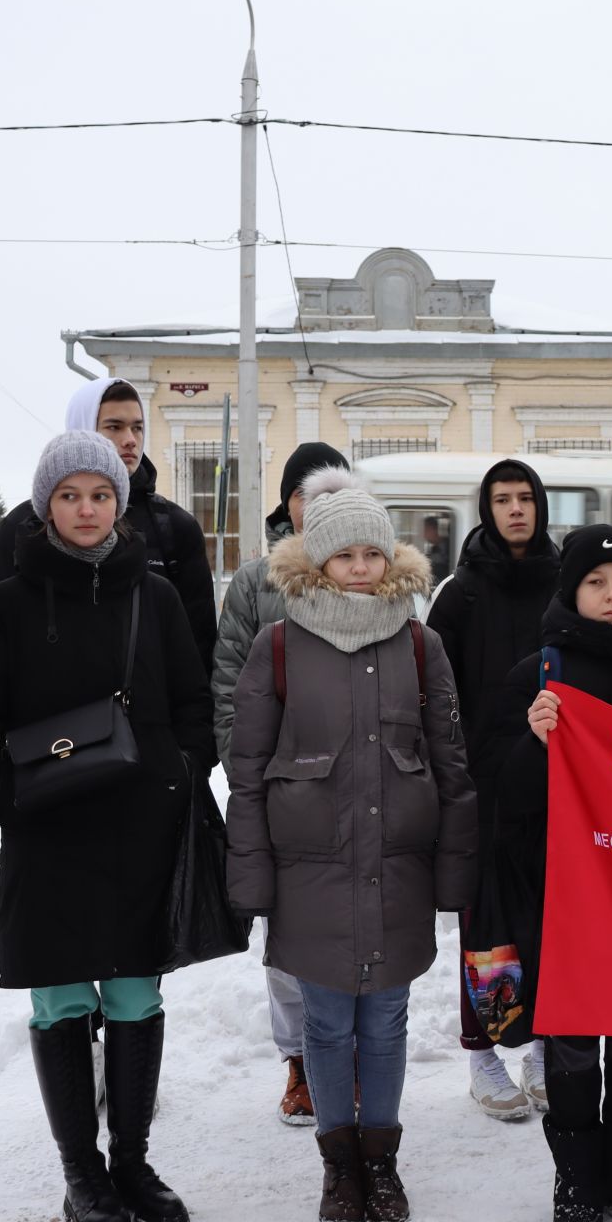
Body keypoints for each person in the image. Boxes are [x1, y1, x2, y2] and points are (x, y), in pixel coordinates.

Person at [0, 431, 213, 1222]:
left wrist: (180, 772)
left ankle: (131, 1166)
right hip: (49, 832)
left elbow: (194, 702)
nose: (87, 508)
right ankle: (82, 1178)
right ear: (47, 506)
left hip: (139, 829)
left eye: (100, 495)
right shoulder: (9, 600)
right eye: (70, 496)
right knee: (61, 1001)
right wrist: (5, 798)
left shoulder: (155, 595)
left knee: (135, 995)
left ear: (119, 504)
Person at [226, 469, 477, 1220]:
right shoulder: (277, 646)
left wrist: (454, 873)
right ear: (318, 562)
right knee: (327, 1025)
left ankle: (382, 1161)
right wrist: (252, 882)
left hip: (396, 870)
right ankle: (340, 1167)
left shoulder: (420, 644)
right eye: (345, 556)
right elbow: (245, 774)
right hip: (312, 876)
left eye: (374, 553)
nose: (361, 567)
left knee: (387, 1022)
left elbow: (451, 765)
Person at [489, 526, 612, 1222]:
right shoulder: (537, 675)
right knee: (570, 1045)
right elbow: (503, 803)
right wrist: (535, 744)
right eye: (596, 582)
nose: (611, 594)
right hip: (560, 899)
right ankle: (574, 1181)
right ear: (572, 591)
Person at [210, 441, 350, 1128]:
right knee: (288, 937)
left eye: (330, 492)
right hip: (277, 791)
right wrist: (250, 772)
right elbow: (229, 683)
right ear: (287, 502)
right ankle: (299, 1061)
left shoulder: (365, 571)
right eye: (304, 492)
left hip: (356, 791)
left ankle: (343, 1059)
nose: (315, 505)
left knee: (353, 928)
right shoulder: (254, 583)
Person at [425, 458, 562, 1119]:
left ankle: (540, 1045)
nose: (515, 509)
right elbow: (437, 694)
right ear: (486, 508)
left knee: (550, 918)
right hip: (482, 786)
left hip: (555, 782)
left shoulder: (566, 583)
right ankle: (484, 1054)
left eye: (525, 498)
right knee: (487, 925)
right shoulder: (461, 594)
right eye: (502, 499)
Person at [0, 377, 217, 674]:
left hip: (148, 713)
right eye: (114, 427)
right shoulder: (24, 526)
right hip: (40, 711)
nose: (131, 439)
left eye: (138, 427)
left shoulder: (175, 527)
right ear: (82, 428)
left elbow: (199, 644)